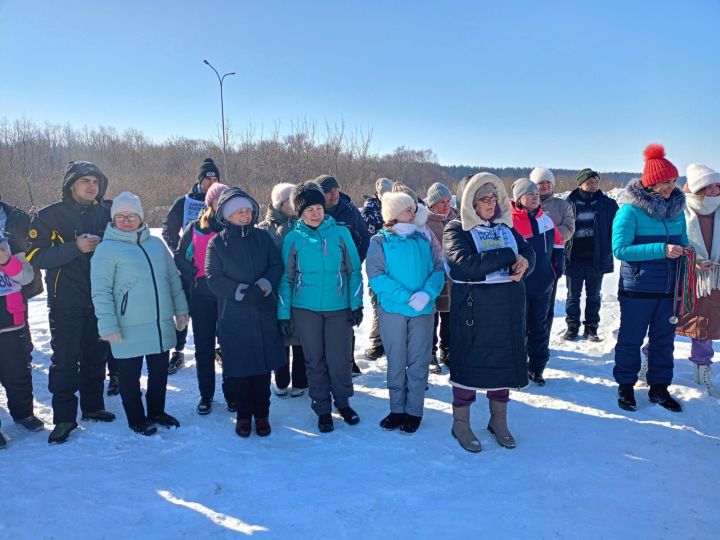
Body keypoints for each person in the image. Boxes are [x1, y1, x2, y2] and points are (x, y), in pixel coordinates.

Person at [444, 173, 535, 452]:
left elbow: (527, 251)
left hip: (505, 310)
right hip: (473, 312)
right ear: (471, 202)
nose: (491, 203)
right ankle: (461, 423)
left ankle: (498, 421)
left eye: (494, 197)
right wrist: (509, 256)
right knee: (469, 365)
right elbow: (464, 265)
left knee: (502, 364)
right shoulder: (456, 229)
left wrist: (525, 264)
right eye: (484, 198)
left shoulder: (505, 227)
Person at [27, 160, 116, 444]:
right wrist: (74, 248)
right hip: (66, 299)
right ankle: (64, 417)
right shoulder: (49, 216)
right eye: (85, 181)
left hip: (100, 299)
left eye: (95, 181)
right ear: (71, 185)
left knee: (96, 355)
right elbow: (34, 257)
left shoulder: (107, 213)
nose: (92, 186)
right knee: (65, 359)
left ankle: (93, 406)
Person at [91, 192, 188, 435]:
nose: (126, 220)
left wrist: (181, 310)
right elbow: (100, 292)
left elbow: (172, 280)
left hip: (158, 324)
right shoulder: (106, 250)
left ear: (141, 217)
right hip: (126, 327)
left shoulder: (155, 244)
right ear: (113, 219)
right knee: (129, 378)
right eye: (120, 216)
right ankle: (136, 418)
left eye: (131, 216)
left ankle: (156, 411)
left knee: (158, 375)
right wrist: (108, 325)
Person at [278, 182, 364, 434]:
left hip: (338, 307)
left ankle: (343, 402)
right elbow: (286, 278)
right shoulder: (293, 239)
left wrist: (355, 303)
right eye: (309, 209)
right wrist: (284, 314)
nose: (315, 213)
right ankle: (322, 407)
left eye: (318, 207)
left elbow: (354, 271)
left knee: (339, 359)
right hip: (305, 309)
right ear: (299, 212)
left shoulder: (340, 233)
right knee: (314, 360)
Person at [612, 144, 688, 412]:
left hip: (668, 289)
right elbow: (620, 249)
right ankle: (625, 387)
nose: (671, 187)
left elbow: (684, 243)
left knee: (664, 342)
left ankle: (659, 388)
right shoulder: (629, 211)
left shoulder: (678, 211)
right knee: (631, 340)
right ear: (651, 183)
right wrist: (661, 250)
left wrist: (689, 254)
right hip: (638, 290)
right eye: (665, 182)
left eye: (674, 181)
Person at [206, 188, 286, 438]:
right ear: (227, 215)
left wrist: (264, 285)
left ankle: (262, 414)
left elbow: (276, 264)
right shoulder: (217, 242)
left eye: (248, 211)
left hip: (262, 310)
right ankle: (243, 416)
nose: (245, 215)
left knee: (262, 370)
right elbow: (212, 277)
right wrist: (239, 290)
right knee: (239, 369)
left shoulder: (262, 238)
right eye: (240, 211)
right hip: (234, 314)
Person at [366, 192, 444, 433]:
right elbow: (376, 276)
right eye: (406, 208)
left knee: (419, 362)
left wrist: (426, 294)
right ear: (392, 213)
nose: (412, 211)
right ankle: (397, 409)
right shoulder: (380, 241)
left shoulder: (424, 237)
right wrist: (406, 297)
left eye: (413, 207)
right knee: (396, 362)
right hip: (393, 311)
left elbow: (439, 269)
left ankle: (414, 411)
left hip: (422, 310)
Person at [175, 182, 234, 414]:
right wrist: (195, 276)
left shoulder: (235, 226)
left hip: (229, 297)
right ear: (211, 202)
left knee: (230, 347)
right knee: (204, 349)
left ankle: (232, 395)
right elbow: (180, 256)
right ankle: (206, 396)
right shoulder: (195, 228)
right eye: (220, 200)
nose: (224, 204)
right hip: (202, 297)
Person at [162, 158, 220, 375]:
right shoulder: (184, 202)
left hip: (214, 268)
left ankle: (219, 347)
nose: (211, 182)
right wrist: (180, 249)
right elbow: (168, 228)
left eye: (215, 178)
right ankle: (178, 350)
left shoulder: (220, 200)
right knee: (183, 309)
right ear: (200, 180)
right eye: (208, 178)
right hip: (188, 266)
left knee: (216, 309)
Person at [511, 178, 564, 386]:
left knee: (539, 328)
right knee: (518, 328)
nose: (534, 197)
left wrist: (556, 270)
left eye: (536, 193)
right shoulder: (510, 220)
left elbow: (559, 245)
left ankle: (537, 368)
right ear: (519, 198)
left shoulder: (546, 220)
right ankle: (517, 368)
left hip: (543, 285)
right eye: (529, 194)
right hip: (519, 286)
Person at [316, 174, 370, 377]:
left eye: (337, 189)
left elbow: (364, 237)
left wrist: (355, 263)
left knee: (347, 319)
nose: (334, 194)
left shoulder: (349, 210)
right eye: (329, 191)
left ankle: (349, 361)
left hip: (345, 275)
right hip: (320, 276)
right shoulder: (314, 212)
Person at [257, 182, 308, 398]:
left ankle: (300, 379)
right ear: (280, 203)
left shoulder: (303, 226)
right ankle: (281, 378)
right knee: (279, 336)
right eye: (291, 200)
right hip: (275, 290)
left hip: (300, 289)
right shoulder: (264, 229)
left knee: (300, 336)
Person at [675, 164, 720, 397]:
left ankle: (702, 372)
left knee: (706, 326)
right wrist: (693, 262)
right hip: (685, 278)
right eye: (708, 186)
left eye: (717, 185)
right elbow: (672, 242)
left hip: (714, 280)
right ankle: (649, 365)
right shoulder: (680, 210)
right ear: (697, 188)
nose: (715, 190)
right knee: (667, 323)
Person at [563, 169, 619, 341]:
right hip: (574, 258)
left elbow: (616, 229)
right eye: (590, 182)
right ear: (580, 184)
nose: (594, 185)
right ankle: (572, 327)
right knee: (573, 296)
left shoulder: (608, 204)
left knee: (594, 296)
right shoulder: (568, 203)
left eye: (596, 182)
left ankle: (591, 329)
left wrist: (610, 248)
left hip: (597, 258)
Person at [0, 227, 42, 448]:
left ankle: (23, 413)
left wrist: (7, 261)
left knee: (18, 374)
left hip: (11, 323)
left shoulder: (10, 243)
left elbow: (27, 277)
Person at [529, 167, 575, 333]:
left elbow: (569, 229)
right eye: (541, 183)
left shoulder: (562, 205)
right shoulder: (526, 205)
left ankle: (544, 340)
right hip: (526, 263)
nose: (545, 186)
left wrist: (546, 235)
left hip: (550, 262)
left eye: (548, 182)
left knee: (546, 304)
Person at [425, 181, 458, 367]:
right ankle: (430, 352)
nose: (446, 205)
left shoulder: (457, 219)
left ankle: (448, 349)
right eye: (441, 201)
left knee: (450, 315)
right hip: (433, 276)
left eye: (448, 200)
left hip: (454, 277)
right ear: (432, 204)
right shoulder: (424, 222)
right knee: (432, 315)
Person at [362, 177, 393, 361]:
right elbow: (367, 237)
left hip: (395, 263)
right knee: (377, 302)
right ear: (377, 194)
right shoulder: (370, 210)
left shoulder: (396, 206)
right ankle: (376, 341)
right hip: (377, 262)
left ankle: (391, 340)